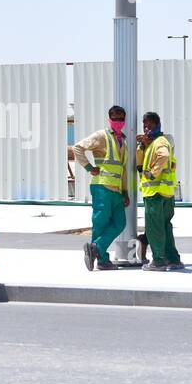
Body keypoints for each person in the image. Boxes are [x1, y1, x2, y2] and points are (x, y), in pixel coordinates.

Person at [73, 104, 131, 271]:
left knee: (120, 223)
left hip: (117, 191)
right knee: (100, 224)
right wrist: (89, 168)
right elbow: (78, 148)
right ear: (109, 119)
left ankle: (95, 248)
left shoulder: (124, 141)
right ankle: (103, 260)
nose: (118, 121)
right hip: (102, 187)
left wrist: (125, 191)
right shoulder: (101, 136)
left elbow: (123, 169)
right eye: (115, 118)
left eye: (121, 119)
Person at [136, 111, 183, 271]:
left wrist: (152, 172)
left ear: (158, 125)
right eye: (145, 126)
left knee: (154, 228)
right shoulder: (152, 143)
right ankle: (173, 259)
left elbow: (163, 156)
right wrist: (142, 146)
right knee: (165, 227)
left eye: (150, 125)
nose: (147, 129)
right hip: (167, 193)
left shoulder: (159, 142)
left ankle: (158, 261)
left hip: (155, 193)